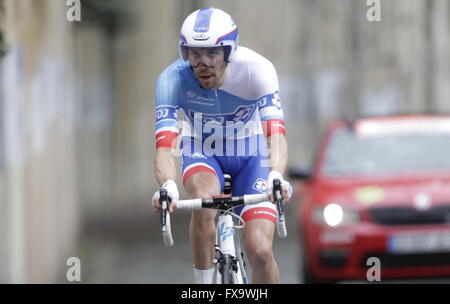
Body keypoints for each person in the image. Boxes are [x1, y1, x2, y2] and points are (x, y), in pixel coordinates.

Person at [152, 7, 292, 284]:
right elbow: (165, 147)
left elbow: (275, 135)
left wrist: (276, 174)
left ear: (229, 52)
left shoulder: (257, 69)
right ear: (185, 53)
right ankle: (204, 285)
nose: (203, 63)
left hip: (250, 154)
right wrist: (167, 184)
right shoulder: (171, 79)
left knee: (261, 252)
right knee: (205, 201)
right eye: (194, 53)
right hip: (202, 148)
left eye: (212, 53)